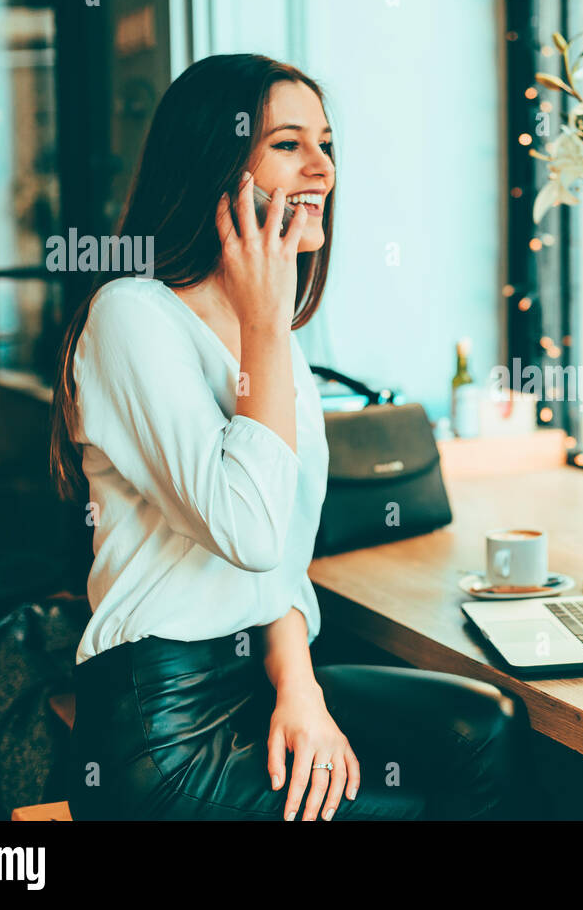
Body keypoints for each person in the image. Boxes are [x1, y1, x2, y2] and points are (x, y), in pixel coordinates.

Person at [48, 54, 532, 820]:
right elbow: (251, 530)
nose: (322, 168)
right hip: (165, 731)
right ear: (214, 160)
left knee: (483, 728)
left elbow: (276, 574)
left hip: (260, 678)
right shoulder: (132, 315)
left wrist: (299, 686)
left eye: (327, 145)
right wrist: (265, 325)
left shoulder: (276, 340)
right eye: (288, 144)